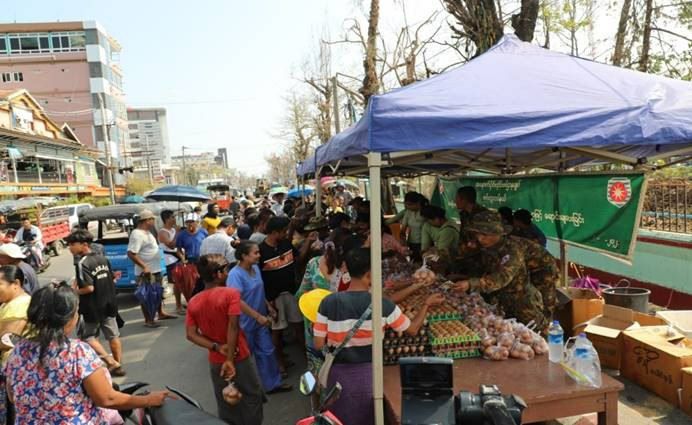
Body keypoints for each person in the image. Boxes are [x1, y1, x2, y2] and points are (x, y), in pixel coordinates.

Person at [313, 248, 443, 425]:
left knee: (339, 420)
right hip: (369, 376)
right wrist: (426, 304)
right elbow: (412, 329)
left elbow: (318, 344)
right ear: (369, 273)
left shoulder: (328, 302)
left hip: (338, 377)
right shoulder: (383, 305)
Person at [5, 284, 169, 423]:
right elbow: (106, 398)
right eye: (76, 312)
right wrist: (148, 400)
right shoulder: (77, 352)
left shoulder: (18, 350)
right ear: (69, 318)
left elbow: (13, 396)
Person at [186, 254, 264, 425]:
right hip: (239, 356)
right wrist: (229, 358)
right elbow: (233, 326)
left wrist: (216, 347)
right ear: (218, 274)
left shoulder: (193, 302)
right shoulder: (231, 294)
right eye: (226, 269)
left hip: (216, 360)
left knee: (225, 401)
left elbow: (191, 335)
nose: (229, 273)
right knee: (252, 395)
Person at [452, 211, 547, 331]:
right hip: (501, 299)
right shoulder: (485, 246)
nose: (480, 239)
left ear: (497, 233)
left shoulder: (512, 250)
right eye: (478, 234)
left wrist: (471, 283)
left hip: (522, 300)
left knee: (536, 334)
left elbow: (501, 277)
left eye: (484, 235)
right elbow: (465, 257)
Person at [227, 242, 291, 393]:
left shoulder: (255, 269)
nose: (259, 256)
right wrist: (257, 316)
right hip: (244, 322)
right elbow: (237, 300)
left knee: (267, 351)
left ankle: (273, 384)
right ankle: (244, 390)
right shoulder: (235, 275)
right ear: (244, 256)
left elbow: (258, 292)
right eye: (255, 253)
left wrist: (268, 307)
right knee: (244, 358)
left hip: (260, 320)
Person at [67, 229, 126, 377]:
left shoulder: (82, 263)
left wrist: (72, 291)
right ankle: (118, 365)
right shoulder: (102, 259)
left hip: (92, 306)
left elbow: (88, 288)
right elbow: (112, 278)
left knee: (88, 337)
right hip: (109, 302)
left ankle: (111, 363)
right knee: (113, 335)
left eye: (73, 244)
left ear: (84, 244)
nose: (70, 248)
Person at [259, 216, 305, 376]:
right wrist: (268, 303)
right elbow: (260, 280)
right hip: (274, 298)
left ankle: (307, 359)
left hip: (292, 292)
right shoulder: (261, 251)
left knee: (299, 326)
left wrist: (309, 244)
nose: (286, 233)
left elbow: (298, 261)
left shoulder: (286, 244)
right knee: (277, 331)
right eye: (283, 231)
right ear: (273, 232)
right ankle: (279, 363)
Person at [127, 209, 176, 327]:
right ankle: (148, 319)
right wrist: (144, 266)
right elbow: (131, 253)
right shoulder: (137, 234)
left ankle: (160, 313)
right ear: (147, 220)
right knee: (147, 295)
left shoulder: (148, 232)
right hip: (146, 271)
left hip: (156, 268)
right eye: (152, 219)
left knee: (157, 293)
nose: (154, 221)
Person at [0, 265, 32, 424]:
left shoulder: (18, 306)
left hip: (13, 369)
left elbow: (5, 341)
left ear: (16, 284)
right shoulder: (10, 302)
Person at [512, 235, 559, 326]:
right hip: (533, 268)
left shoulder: (511, 247)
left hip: (545, 268)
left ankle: (547, 327)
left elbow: (519, 282)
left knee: (547, 299)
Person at [385, 192, 427, 262]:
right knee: (414, 262)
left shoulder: (426, 212)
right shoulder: (408, 212)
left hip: (425, 243)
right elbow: (402, 228)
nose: (407, 206)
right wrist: (402, 241)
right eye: (406, 204)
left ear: (418, 203)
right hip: (412, 243)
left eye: (410, 204)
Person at [158, 209, 185, 314]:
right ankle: (178, 306)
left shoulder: (174, 230)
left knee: (181, 282)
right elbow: (171, 245)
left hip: (178, 257)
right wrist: (178, 233)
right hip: (170, 259)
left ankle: (180, 302)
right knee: (176, 283)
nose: (174, 219)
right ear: (167, 219)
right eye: (172, 217)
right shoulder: (162, 232)